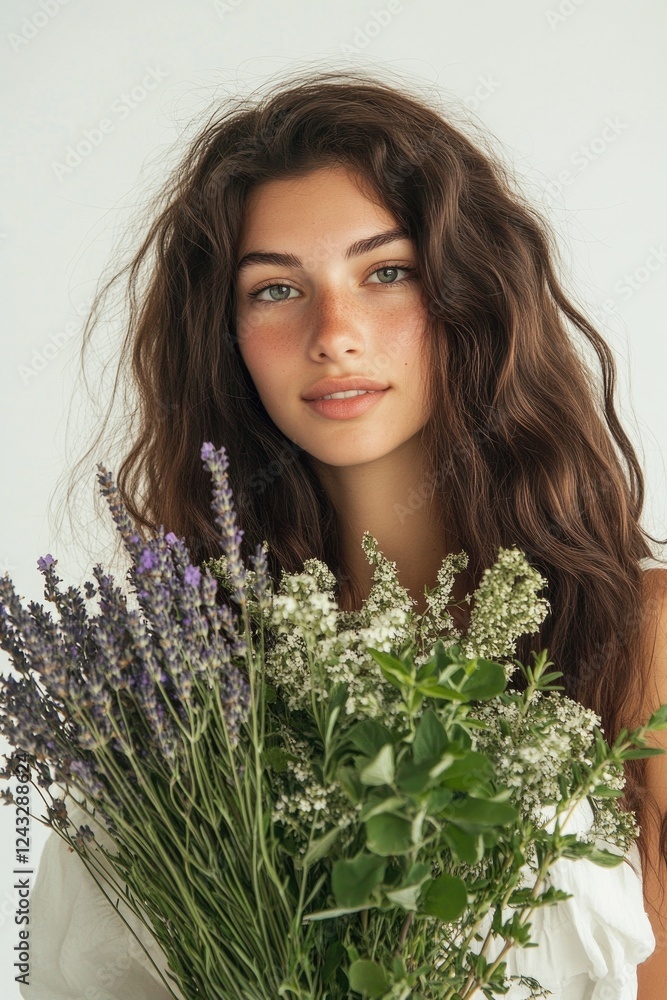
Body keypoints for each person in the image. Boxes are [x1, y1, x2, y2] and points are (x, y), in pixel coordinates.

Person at [25, 69, 667, 999]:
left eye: (387, 273)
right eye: (276, 290)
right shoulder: (168, 696)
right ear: (227, 334)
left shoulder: (635, 637)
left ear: (471, 294)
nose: (335, 333)